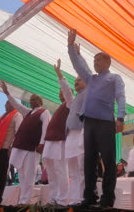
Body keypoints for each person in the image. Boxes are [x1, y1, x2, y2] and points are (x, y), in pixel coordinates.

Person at [68, 29, 126, 208]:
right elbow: (79, 65)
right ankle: (89, 197)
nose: (95, 62)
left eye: (98, 60)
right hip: (89, 123)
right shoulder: (90, 79)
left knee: (108, 160)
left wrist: (121, 118)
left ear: (108, 62)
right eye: (93, 60)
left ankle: (108, 199)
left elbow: (121, 97)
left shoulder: (114, 78)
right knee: (89, 161)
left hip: (106, 123)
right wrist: (70, 46)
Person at [0, 81, 51, 205]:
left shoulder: (44, 112)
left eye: (35, 99)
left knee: (29, 174)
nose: (33, 101)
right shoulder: (28, 112)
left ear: (40, 102)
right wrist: (7, 93)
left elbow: (46, 128)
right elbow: (16, 105)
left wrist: (42, 143)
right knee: (21, 174)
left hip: (32, 148)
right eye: (31, 99)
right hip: (20, 146)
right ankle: (23, 199)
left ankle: (26, 200)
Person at [57, 53, 87, 205]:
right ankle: (74, 200)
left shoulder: (90, 94)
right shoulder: (72, 101)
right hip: (70, 138)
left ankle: (82, 199)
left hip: (82, 135)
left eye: (79, 80)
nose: (76, 83)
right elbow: (67, 92)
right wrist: (60, 76)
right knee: (73, 172)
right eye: (75, 81)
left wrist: (79, 57)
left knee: (82, 171)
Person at [42, 59, 70, 206]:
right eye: (59, 91)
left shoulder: (71, 103)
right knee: (51, 172)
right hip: (50, 142)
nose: (60, 92)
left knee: (60, 170)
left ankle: (63, 200)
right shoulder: (60, 107)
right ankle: (53, 199)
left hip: (61, 141)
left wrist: (60, 75)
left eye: (62, 90)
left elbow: (66, 89)